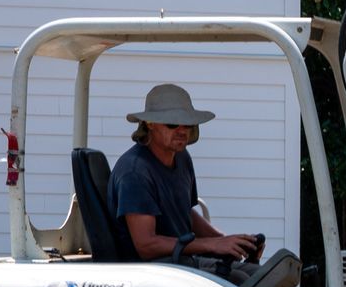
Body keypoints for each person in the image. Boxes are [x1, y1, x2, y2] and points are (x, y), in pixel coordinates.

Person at [109, 82, 263, 273]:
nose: (181, 131)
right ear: (150, 124)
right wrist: (212, 245)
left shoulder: (181, 157)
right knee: (243, 281)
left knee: (258, 274)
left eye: (187, 124)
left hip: (180, 263)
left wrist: (229, 242)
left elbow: (185, 212)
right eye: (172, 124)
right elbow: (146, 245)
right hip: (151, 273)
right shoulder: (134, 172)